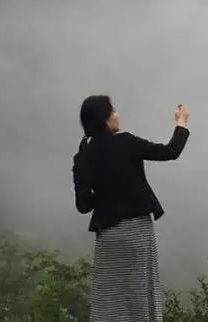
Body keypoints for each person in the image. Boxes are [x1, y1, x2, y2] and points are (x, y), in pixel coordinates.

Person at [72, 96, 190, 322]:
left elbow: (83, 205)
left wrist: (107, 194)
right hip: (136, 230)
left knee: (109, 297)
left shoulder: (83, 155)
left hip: (108, 234)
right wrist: (181, 122)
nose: (116, 115)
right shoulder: (126, 142)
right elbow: (170, 151)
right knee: (140, 293)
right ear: (104, 120)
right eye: (112, 111)